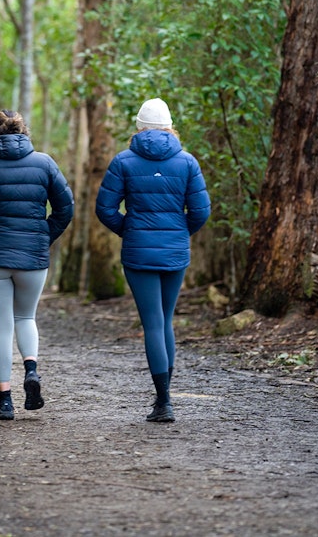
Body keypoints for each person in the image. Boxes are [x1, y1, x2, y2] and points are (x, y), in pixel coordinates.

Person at [95, 98, 211, 423]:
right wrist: (178, 233)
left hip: (138, 253)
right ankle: (165, 400)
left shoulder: (123, 161)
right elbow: (201, 211)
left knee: (153, 324)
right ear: (170, 127)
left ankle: (163, 402)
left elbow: (105, 209)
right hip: (175, 252)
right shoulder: (187, 162)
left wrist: (130, 231)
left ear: (139, 127)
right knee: (166, 320)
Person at [0, 110, 74, 420]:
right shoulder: (45, 164)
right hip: (32, 257)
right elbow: (65, 208)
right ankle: (31, 370)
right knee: (26, 316)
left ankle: (5, 401)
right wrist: (42, 236)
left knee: (2, 326)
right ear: (24, 133)